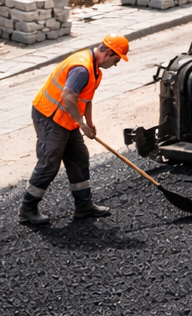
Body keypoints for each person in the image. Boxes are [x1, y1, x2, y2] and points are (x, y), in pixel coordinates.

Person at [20, 34, 130, 225]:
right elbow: (68, 96)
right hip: (50, 116)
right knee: (49, 163)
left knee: (79, 158)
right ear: (109, 53)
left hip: (67, 118)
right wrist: (81, 124)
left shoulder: (95, 70)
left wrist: (89, 121)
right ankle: (27, 209)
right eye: (117, 59)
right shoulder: (82, 68)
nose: (116, 64)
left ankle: (84, 207)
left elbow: (85, 98)